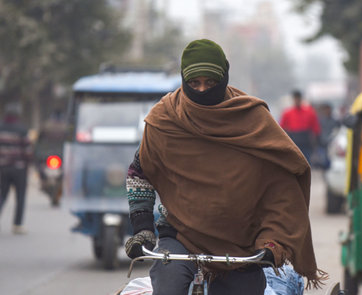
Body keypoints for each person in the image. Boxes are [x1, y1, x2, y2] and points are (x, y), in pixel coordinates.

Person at [124, 39, 327, 295]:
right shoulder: (164, 120)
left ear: (224, 77)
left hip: (241, 244)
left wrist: (272, 243)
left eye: (210, 83)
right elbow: (139, 174)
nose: (202, 90)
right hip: (179, 238)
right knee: (167, 286)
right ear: (183, 80)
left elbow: (282, 190)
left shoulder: (254, 120)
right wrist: (142, 228)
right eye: (194, 83)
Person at [0, 103, 33, 234]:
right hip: (19, 168)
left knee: (2, 195)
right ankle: (17, 225)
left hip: (2, 167)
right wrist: (29, 164)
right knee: (20, 196)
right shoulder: (22, 129)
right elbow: (28, 150)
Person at [279, 90, 321, 163]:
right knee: (294, 162)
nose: (297, 100)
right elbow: (281, 128)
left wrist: (316, 141)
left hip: (306, 140)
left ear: (301, 99)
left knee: (306, 161)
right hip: (293, 140)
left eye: (298, 98)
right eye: (295, 99)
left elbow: (316, 128)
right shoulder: (287, 113)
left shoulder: (309, 112)